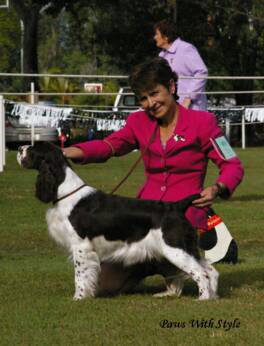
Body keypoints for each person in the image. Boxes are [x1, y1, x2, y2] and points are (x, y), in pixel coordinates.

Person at [63, 57, 244, 294]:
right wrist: (73, 151)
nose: (149, 103)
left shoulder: (204, 122)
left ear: (171, 86)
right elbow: (111, 145)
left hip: (182, 217)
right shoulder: (138, 122)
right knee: (102, 286)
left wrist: (218, 187)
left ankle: (176, 269)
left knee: (174, 252)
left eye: (154, 93)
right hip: (142, 222)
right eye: (143, 98)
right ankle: (167, 269)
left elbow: (232, 164)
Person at [153, 19, 208, 110]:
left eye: (156, 34)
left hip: (191, 108)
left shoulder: (185, 48)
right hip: (172, 108)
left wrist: (188, 98)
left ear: (166, 36)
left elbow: (202, 72)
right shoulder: (162, 55)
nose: (154, 37)